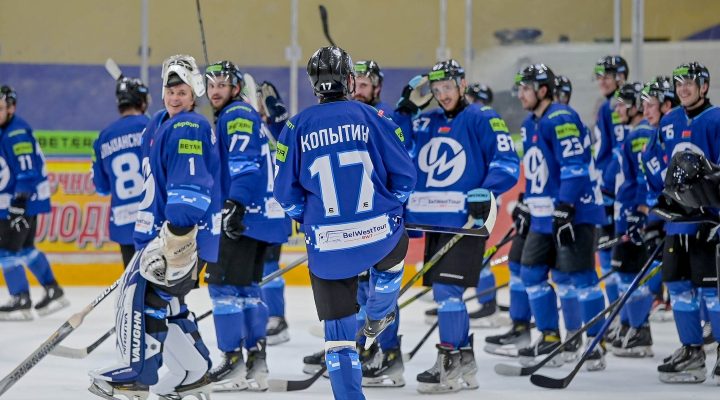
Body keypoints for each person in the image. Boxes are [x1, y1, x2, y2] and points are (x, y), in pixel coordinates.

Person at [273, 46, 416, 400]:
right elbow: (405, 178)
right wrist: (390, 209)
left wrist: (307, 218)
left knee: (337, 340)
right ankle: (380, 311)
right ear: (350, 80)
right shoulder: (374, 116)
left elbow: (286, 195)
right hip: (378, 236)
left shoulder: (296, 125)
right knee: (395, 248)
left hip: (328, 246)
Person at [88, 54, 223, 400]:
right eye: (169, 90)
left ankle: (138, 375)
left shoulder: (188, 126)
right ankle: (196, 370)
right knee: (171, 305)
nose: (174, 97)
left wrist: (176, 242)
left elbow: (189, 189)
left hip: (178, 237)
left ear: (194, 93)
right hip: (158, 234)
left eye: (182, 91)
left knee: (142, 299)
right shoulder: (159, 123)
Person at [406, 59, 519, 393]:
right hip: (434, 218)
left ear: (462, 85)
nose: (442, 95)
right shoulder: (425, 120)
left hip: (466, 220)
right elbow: (397, 148)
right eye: (436, 89)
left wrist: (487, 189)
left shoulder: (483, 118)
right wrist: (402, 108)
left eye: (447, 88)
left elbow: (506, 161)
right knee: (445, 293)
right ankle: (465, 361)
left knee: (447, 293)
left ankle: (451, 361)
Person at [203, 61, 290, 392]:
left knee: (223, 290)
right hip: (263, 219)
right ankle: (256, 362)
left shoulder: (236, 115)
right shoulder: (243, 115)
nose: (215, 90)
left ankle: (232, 362)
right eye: (211, 85)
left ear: (237, 88)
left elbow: (245, 165)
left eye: (222, 84)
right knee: (248, 291)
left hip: (243, 215)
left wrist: (234, 204)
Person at [513, 64, 607, 370]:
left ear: (543, 90)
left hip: (574, 212)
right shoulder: (530, 124)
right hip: (543, 214)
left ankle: (594, 341)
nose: (520, 94)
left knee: (578, 276)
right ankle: (552, 337)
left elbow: (575, 166)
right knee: (530, 271)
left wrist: (565, 205)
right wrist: (526, 202)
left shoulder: (562, 117)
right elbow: (536, 168)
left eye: (526, 88)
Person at [640, 61, 720, 384]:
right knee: (678, 288)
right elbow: (653, 158)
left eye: (689, 82)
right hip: (677, 223)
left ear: (704, 87)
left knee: (711, 291)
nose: (683, 87)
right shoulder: (670, 120)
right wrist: (660, 193)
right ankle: (692, 350)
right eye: (678, 83)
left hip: (708, 220)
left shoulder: (716, 119)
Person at [0, 85, 66, 321]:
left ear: (11, 108)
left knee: (5, 250)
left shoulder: (16, 132)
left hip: (22, 201)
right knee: (26, 249)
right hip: (25, 200)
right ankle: (53, 290)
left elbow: (27, 172)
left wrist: (18, 203)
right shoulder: (6, 130)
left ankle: (21, 299)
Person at [608, 81, 658, 357]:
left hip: (632, 213)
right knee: (625, 272)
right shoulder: (632, 133)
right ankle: (630, 325)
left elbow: (643, 179)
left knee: (631, 272)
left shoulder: (640, 134)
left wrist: (639, 212)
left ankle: (640, 330)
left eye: (622, 104)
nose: (617, 109)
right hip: (624, 211)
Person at [92, 76, 150, 267]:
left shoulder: (104, 137)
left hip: (123, 221)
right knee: (162, 287)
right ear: (142, 101)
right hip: (153, 218)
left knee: (133, 287)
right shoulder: (153, 127)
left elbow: (101, 188)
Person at [638, 77, 679, 324]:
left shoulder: (679, 131)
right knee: (680, 280)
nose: (645, 111)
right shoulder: (653, 141)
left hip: (697, 215)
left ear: (665, 104)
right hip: (673, 216)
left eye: (650, 105)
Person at [256, 80, 294, 347]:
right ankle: (262, 315)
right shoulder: (248, 131)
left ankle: (277, 318)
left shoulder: (279, 130)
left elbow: (290, 143)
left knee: (269, 263)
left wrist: (279, 119)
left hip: (276, 209)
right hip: (255, 210)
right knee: (255, 267)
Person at [593, 55, 629, 311]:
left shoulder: (619, 105)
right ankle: (619, 313)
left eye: (607, 75)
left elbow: (620, 149)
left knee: (615, 251)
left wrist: (606, 182)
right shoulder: (608, 106)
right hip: (610, 186)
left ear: (621, 77)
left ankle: (624, 315)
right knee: (608, 250)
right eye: (599, 76)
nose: (602, 81)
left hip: (618, 190)